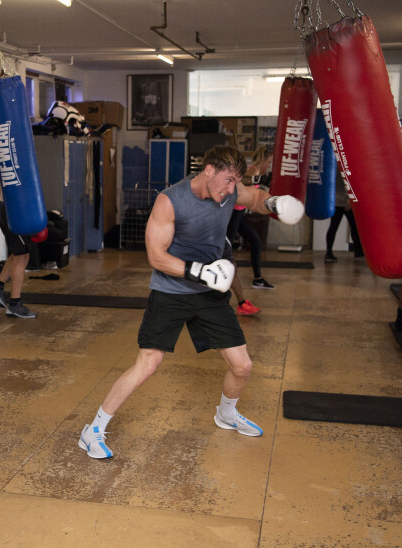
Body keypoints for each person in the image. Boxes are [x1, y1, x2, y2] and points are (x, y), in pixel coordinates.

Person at [77, 145, 304, 459]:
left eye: (234, 182)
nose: (229, 190)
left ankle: (226, 414)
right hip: (171, 292)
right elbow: (156, 256)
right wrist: (199, 272)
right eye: (226, 180)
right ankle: (94, 431)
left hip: (209, 296)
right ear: (208, 170)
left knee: (242, 367)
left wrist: (275, 203)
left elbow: (254, 198)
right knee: (148, 364)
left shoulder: (229, 192)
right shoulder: (171, 201)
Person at [0, 179, 38, 319]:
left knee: (18, 253)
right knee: (22, 256)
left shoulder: (3, 158)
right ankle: (14, 304)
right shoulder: (16, 156)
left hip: (6, 207)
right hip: (15, 210)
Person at [231, 145, 274, 290]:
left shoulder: (256, 171)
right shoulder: (253, 170)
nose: (268, 166)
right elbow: (244, 181)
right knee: (225, 248)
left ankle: (258, 279)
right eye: (268, 163)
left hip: (240, 213)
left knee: (256, 241)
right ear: (263, 161)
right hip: (233, 214)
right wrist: (261, 179)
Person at [324, 172, 362, 263]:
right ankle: (358, 251)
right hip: (343, 202)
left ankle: (329, 252)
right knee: (353, 227)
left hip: (335, 201)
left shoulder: (334, 163)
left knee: (334, 227)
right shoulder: (344, 163)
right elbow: (347, 182)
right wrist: (349, 200)